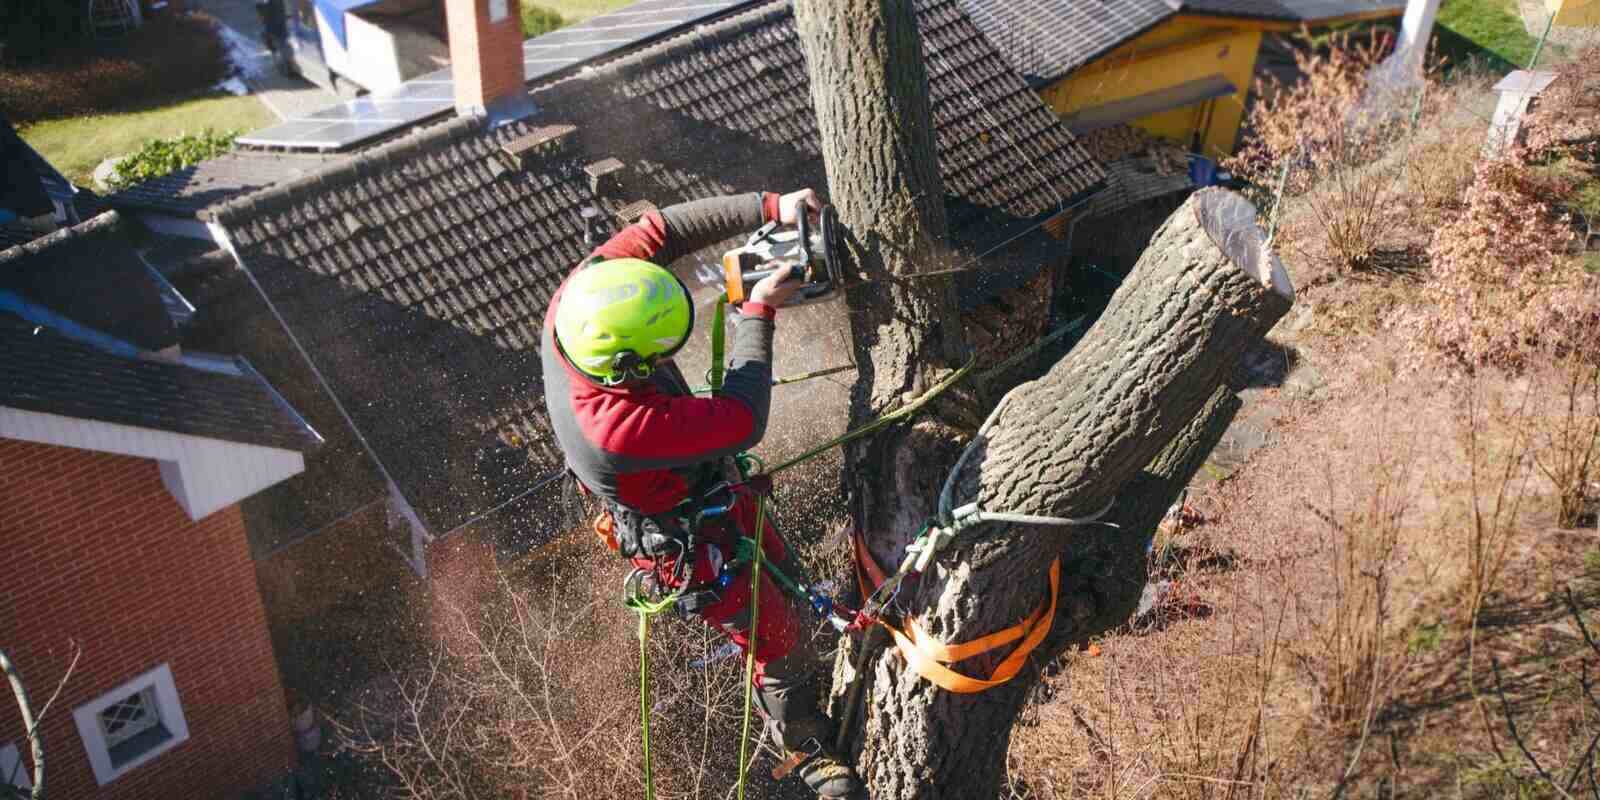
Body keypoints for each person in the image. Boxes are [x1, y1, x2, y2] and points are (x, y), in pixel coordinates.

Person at [541, 189, 863, 799]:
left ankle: (810, 645)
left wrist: (771, 206)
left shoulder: (586, 295)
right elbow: (743, 416)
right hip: (686, 535)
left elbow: (662, 228)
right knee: (774, 634)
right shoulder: (616, 430)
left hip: (710, 486)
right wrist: (758, 314)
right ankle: (809, 751)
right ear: (627, 366)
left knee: (783, 578)